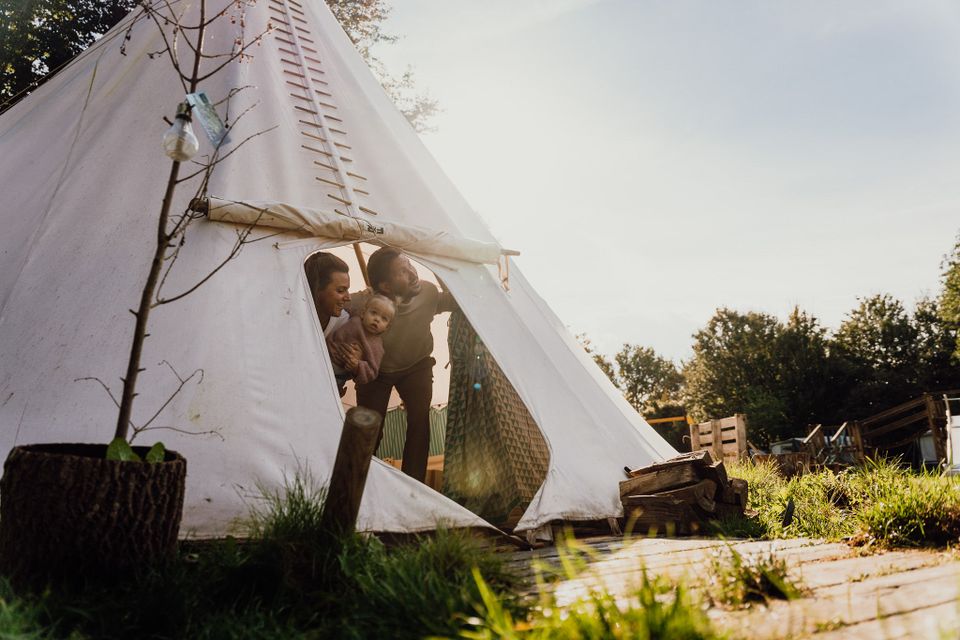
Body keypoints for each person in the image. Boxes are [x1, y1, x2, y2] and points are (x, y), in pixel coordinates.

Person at [350, 247, 457, 483]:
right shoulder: (366, 302)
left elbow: (456, 300)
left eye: (409, 264)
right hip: (376, 371)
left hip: (417, 365)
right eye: (402, 271)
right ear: (385, 286)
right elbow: (335, 307)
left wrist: (439, 263)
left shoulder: (428, 292)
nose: (412, 272)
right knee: (369, 429)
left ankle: (413, 486)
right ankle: (357, 484)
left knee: (419, 422)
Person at [304, 251, 361, 379]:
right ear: (317, 289)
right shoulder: (291, 320)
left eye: (347, 289)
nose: (348, 297)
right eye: (341, 290)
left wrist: (356, 362)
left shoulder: (345, 322)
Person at [326, 294, 396, 392]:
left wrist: (357, 365)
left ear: (387, 327)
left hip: (337, 374)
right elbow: (347, 308)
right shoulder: (356, 319)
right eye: (374, 313)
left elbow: (372, 371)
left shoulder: (376, 346)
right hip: (324, 354)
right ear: (363, 313)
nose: (377, 319)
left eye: (384, 318)